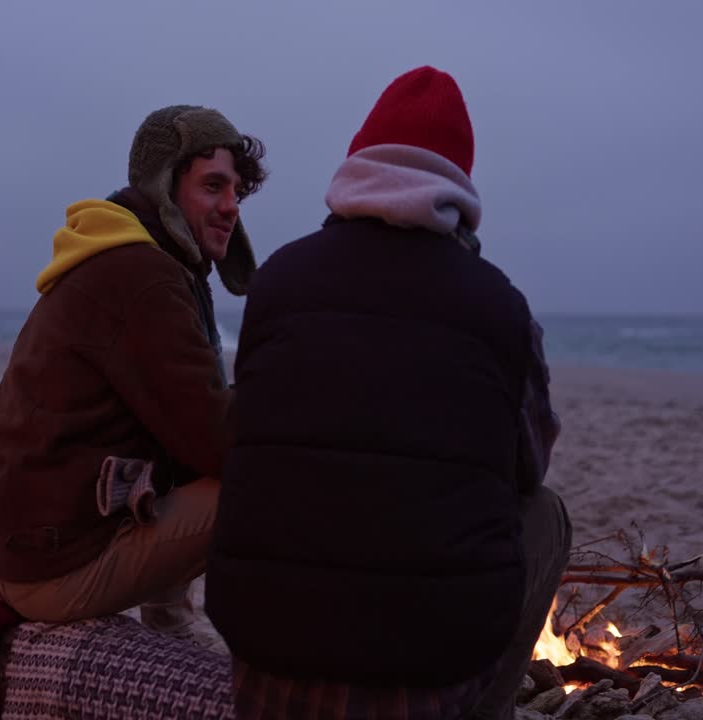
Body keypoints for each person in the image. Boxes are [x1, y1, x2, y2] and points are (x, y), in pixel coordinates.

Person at [206, 67, 571, 719]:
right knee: (546, 515)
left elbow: (245, 436)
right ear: (458, 186)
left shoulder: (278, 283)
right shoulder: (499, 307)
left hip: (267, 663)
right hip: (424, 681)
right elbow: (528, 465)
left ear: (355, 169)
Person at [0, 105, 267, 643]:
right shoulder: (143, 277)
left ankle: (170, 629)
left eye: (236, 192)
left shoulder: (130, 258)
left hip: (26, 549)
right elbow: (216, 442)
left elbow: (180, 425)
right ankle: (271, 658)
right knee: (274, 479)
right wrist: (298, 395)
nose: (230, 207)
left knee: (190, 449)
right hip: (51, 571)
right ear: (164, 188)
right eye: (213, 187)